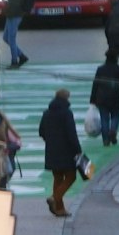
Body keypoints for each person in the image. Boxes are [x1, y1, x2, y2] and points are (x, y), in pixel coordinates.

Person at [39, 88, 83, 217]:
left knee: (57, 178)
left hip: (52, 150)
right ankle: (55, 197)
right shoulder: (67, 113)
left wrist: (51, 141)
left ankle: (60, 209)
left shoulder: (46, 113)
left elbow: (41, 131)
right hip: (67, 151)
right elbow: (71, 134)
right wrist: (77, 149)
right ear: (66, 99)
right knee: (71, 177)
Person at [88, 53, 119, 147]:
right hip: (116, 96)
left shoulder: (101, 69)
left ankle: (105, 140)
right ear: (116, 59)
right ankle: (113, 130)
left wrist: (93, 99)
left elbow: (95, 84)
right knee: (115, 115)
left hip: (102, 98)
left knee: (104, 119)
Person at [0, 0, 30, 67]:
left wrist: (6, 10)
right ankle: (21, 55)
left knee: (11, 39)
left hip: (15, 15)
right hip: (11, 15)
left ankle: (14, 61)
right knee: (6, 38)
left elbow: (15, 3)